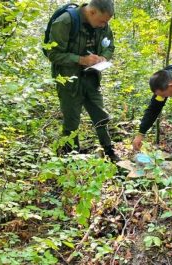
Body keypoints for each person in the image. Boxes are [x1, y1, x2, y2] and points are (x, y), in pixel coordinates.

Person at [46, 0, 119, 162]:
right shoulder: (65, 22)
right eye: (102, 21)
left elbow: (110, 46)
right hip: (68, 80)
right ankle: (72, 156)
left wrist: (103, 57)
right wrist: (81, 59)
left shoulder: (102, 24)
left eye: (106, 22)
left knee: (100, 114)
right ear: (92, 12)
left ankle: (110, 151)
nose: (103, 25)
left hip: (91, 78)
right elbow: (53, 54)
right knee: (71, 120)